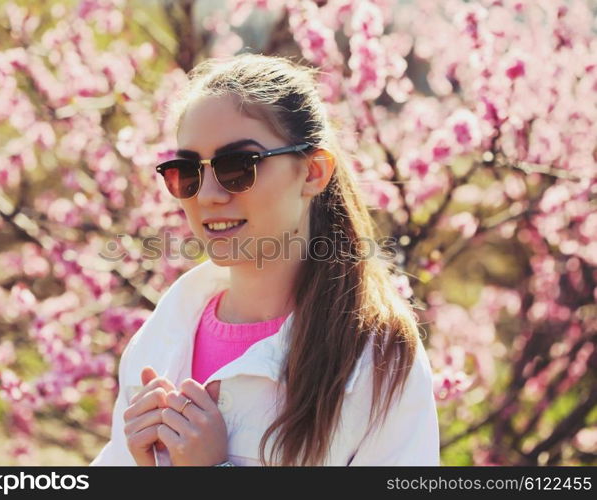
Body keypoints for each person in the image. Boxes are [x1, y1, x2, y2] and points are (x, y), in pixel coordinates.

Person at [90, 53, 440, 466]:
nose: (208, 196)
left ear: (312, 172)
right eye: (187, 171)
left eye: (238, 166)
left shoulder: (377, 357)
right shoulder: (158, 340)